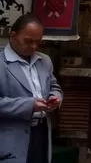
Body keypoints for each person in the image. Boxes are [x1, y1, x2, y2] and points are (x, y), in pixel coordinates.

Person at [0, 14, 63, 163]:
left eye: (38, 42)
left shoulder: (44, 61)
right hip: (10, 139)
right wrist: (29, 105)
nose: (33, 47)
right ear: (13, 36)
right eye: (28, 41)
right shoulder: (2, 63)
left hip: (41, 133)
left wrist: (55, 98)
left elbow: (54, 86)